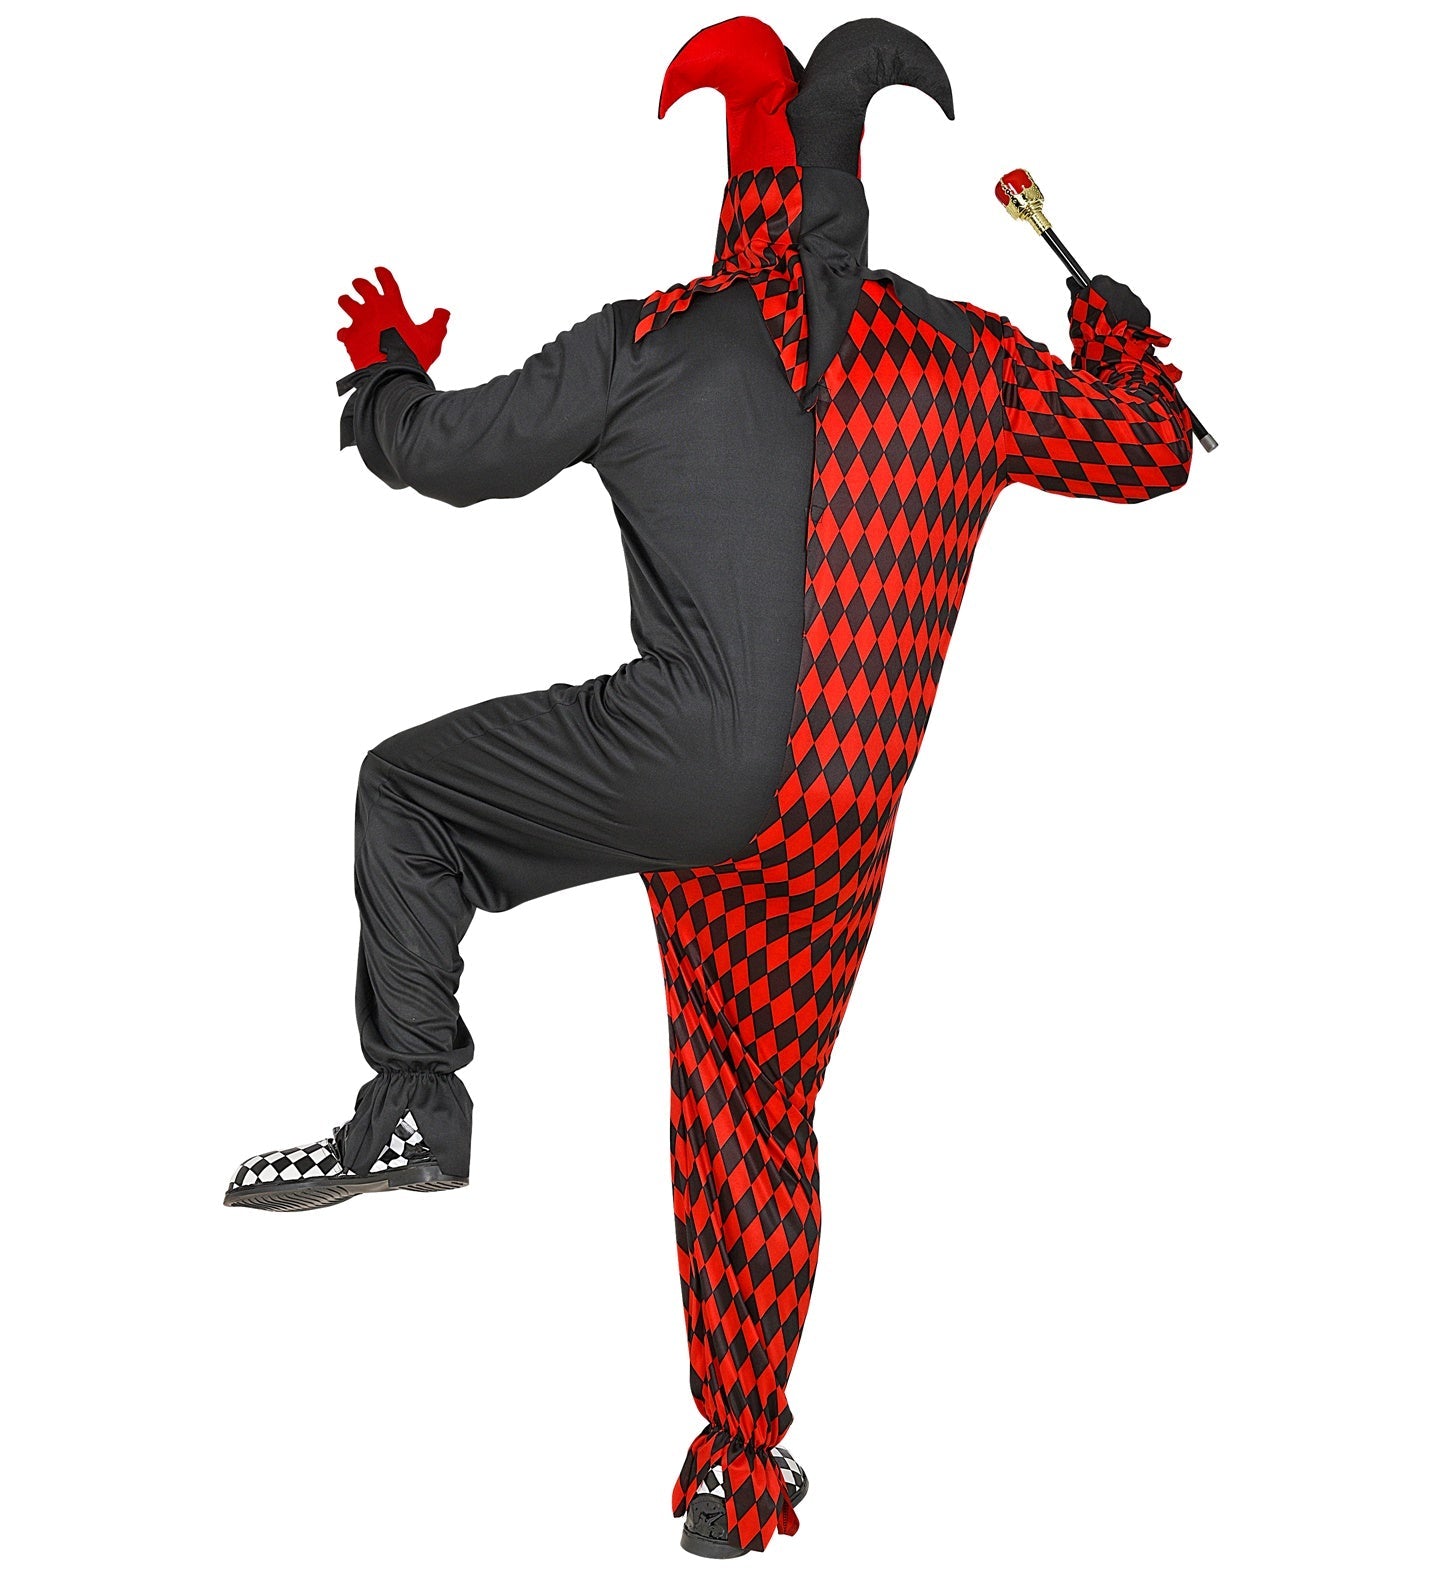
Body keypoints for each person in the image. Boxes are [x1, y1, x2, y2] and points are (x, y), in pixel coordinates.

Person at [224, 17, 1195, 1558]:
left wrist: (386, 377)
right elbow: (1150, 449)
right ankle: (743, 1457)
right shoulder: (966, 358)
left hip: (677, 769)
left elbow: (445, 457)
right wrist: (1110, 329)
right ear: (851, 187)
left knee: (407, 799)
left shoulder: (656, 335)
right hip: (841, 826)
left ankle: (414, 1099)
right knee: (755, 1112)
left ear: (737, 189)